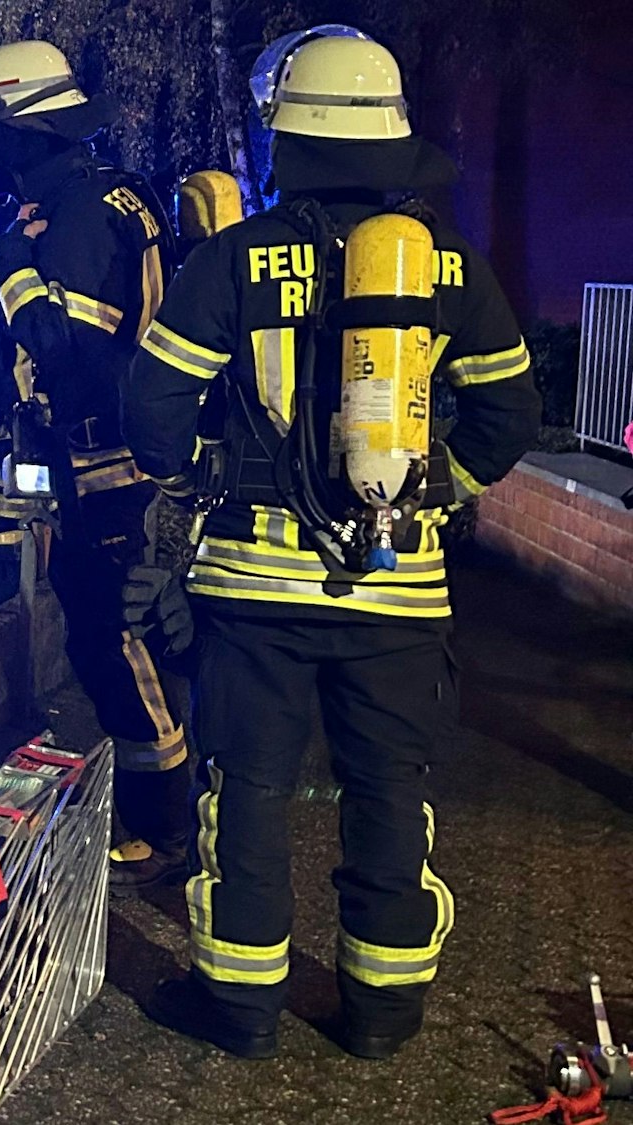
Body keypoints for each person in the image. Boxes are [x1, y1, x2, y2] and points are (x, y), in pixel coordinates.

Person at [122, 29, 540, 1060]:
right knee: (388, 794)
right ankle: (382, 1015)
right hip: (396, 596)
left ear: (284, 136)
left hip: (252, 592)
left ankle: (237, 1008)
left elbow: (152, 413)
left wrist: (202, 479)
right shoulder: (446, 266)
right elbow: (508, 417)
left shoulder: (230, 258)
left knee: (246, 795)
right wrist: (429, 494)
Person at [0, 39, 193, 886]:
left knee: (110, 641)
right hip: (78, 457)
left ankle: (167, 828)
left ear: (23, 133)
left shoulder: (78, 215)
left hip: (96, 464)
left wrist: (10, 274)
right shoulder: (102, 197)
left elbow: (71, 353)